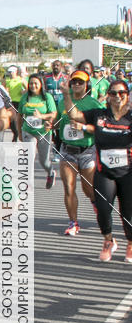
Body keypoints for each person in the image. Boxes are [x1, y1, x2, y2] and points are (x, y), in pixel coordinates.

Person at [63, 79, 132, 262]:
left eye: (121, 93)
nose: (117, 97)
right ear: (108, 97)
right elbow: (74, 114)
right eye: (113, 93)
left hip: (127, 174)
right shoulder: (99, 115)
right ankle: (108, 241)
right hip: (105, 172)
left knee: (128, 213)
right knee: (102, 209)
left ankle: (131, 244)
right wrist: (65, 95)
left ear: (127, 95)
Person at [52, 69, 103, 235]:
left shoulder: (94, 105)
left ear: (86, 84)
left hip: (87, 150)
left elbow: (101, 129)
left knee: (89, 190)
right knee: (69, 187)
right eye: (74, 82)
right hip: (67, 150)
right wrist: (52, 125)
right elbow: (59, 122)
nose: (77, 85)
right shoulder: (62, 102)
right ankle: (73, 222)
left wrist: (83, 127)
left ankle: (97, 205)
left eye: (80, 82)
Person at [17, 73, 57, 188]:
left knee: (43, 161)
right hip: (28, 131)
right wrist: (20, 132)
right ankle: (28, 182)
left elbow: (53, 114)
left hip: (43, 131)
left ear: (41, 84)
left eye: (35, 83)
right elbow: (19, 115)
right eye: (31, 83)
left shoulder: (47, 97)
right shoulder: (25, 97)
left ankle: (50, 172)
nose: (33, 86)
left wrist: (42, 116)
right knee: (29, 157)